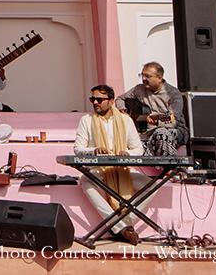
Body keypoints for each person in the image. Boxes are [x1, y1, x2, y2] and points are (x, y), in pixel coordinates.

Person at [74, 84, 147, 245]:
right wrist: (94, 150)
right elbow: (78, 149)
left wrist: (127, 153)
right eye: (92, 99)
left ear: (111, 101)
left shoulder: (126, 121)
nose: (95, 103)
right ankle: (121, 227)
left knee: (149, 185)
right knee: (86, 183)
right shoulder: (86, 120)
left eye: (99, 99)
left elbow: (138, 149)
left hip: (122, 169)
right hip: (98, 169)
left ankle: (125, 221)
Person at [116, 63, 188, 156]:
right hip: (147, 132)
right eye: (142, 75)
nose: (143, 79)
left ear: (159, 78)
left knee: (161, 134)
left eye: (147, 76)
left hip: (173, 130)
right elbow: (120, 99)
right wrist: (124, 114)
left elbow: (174, 120)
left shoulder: (173, 94)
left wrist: (157, 122)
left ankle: (168, 167)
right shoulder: (139, 89)